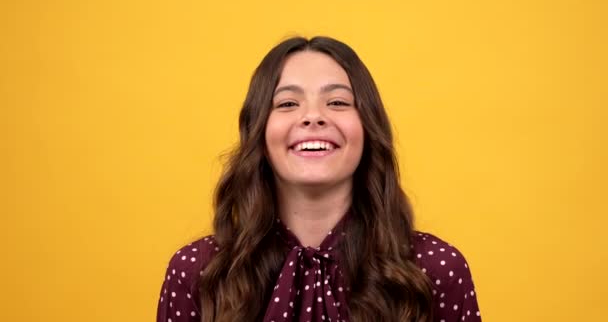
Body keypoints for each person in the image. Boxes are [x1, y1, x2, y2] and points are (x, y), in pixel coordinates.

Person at [156, 36, 482, 322]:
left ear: (368, 129)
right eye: (287, 103)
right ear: (259, 134)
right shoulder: (198, 273)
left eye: (337, 102)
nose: (313, 116)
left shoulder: (435, 270)